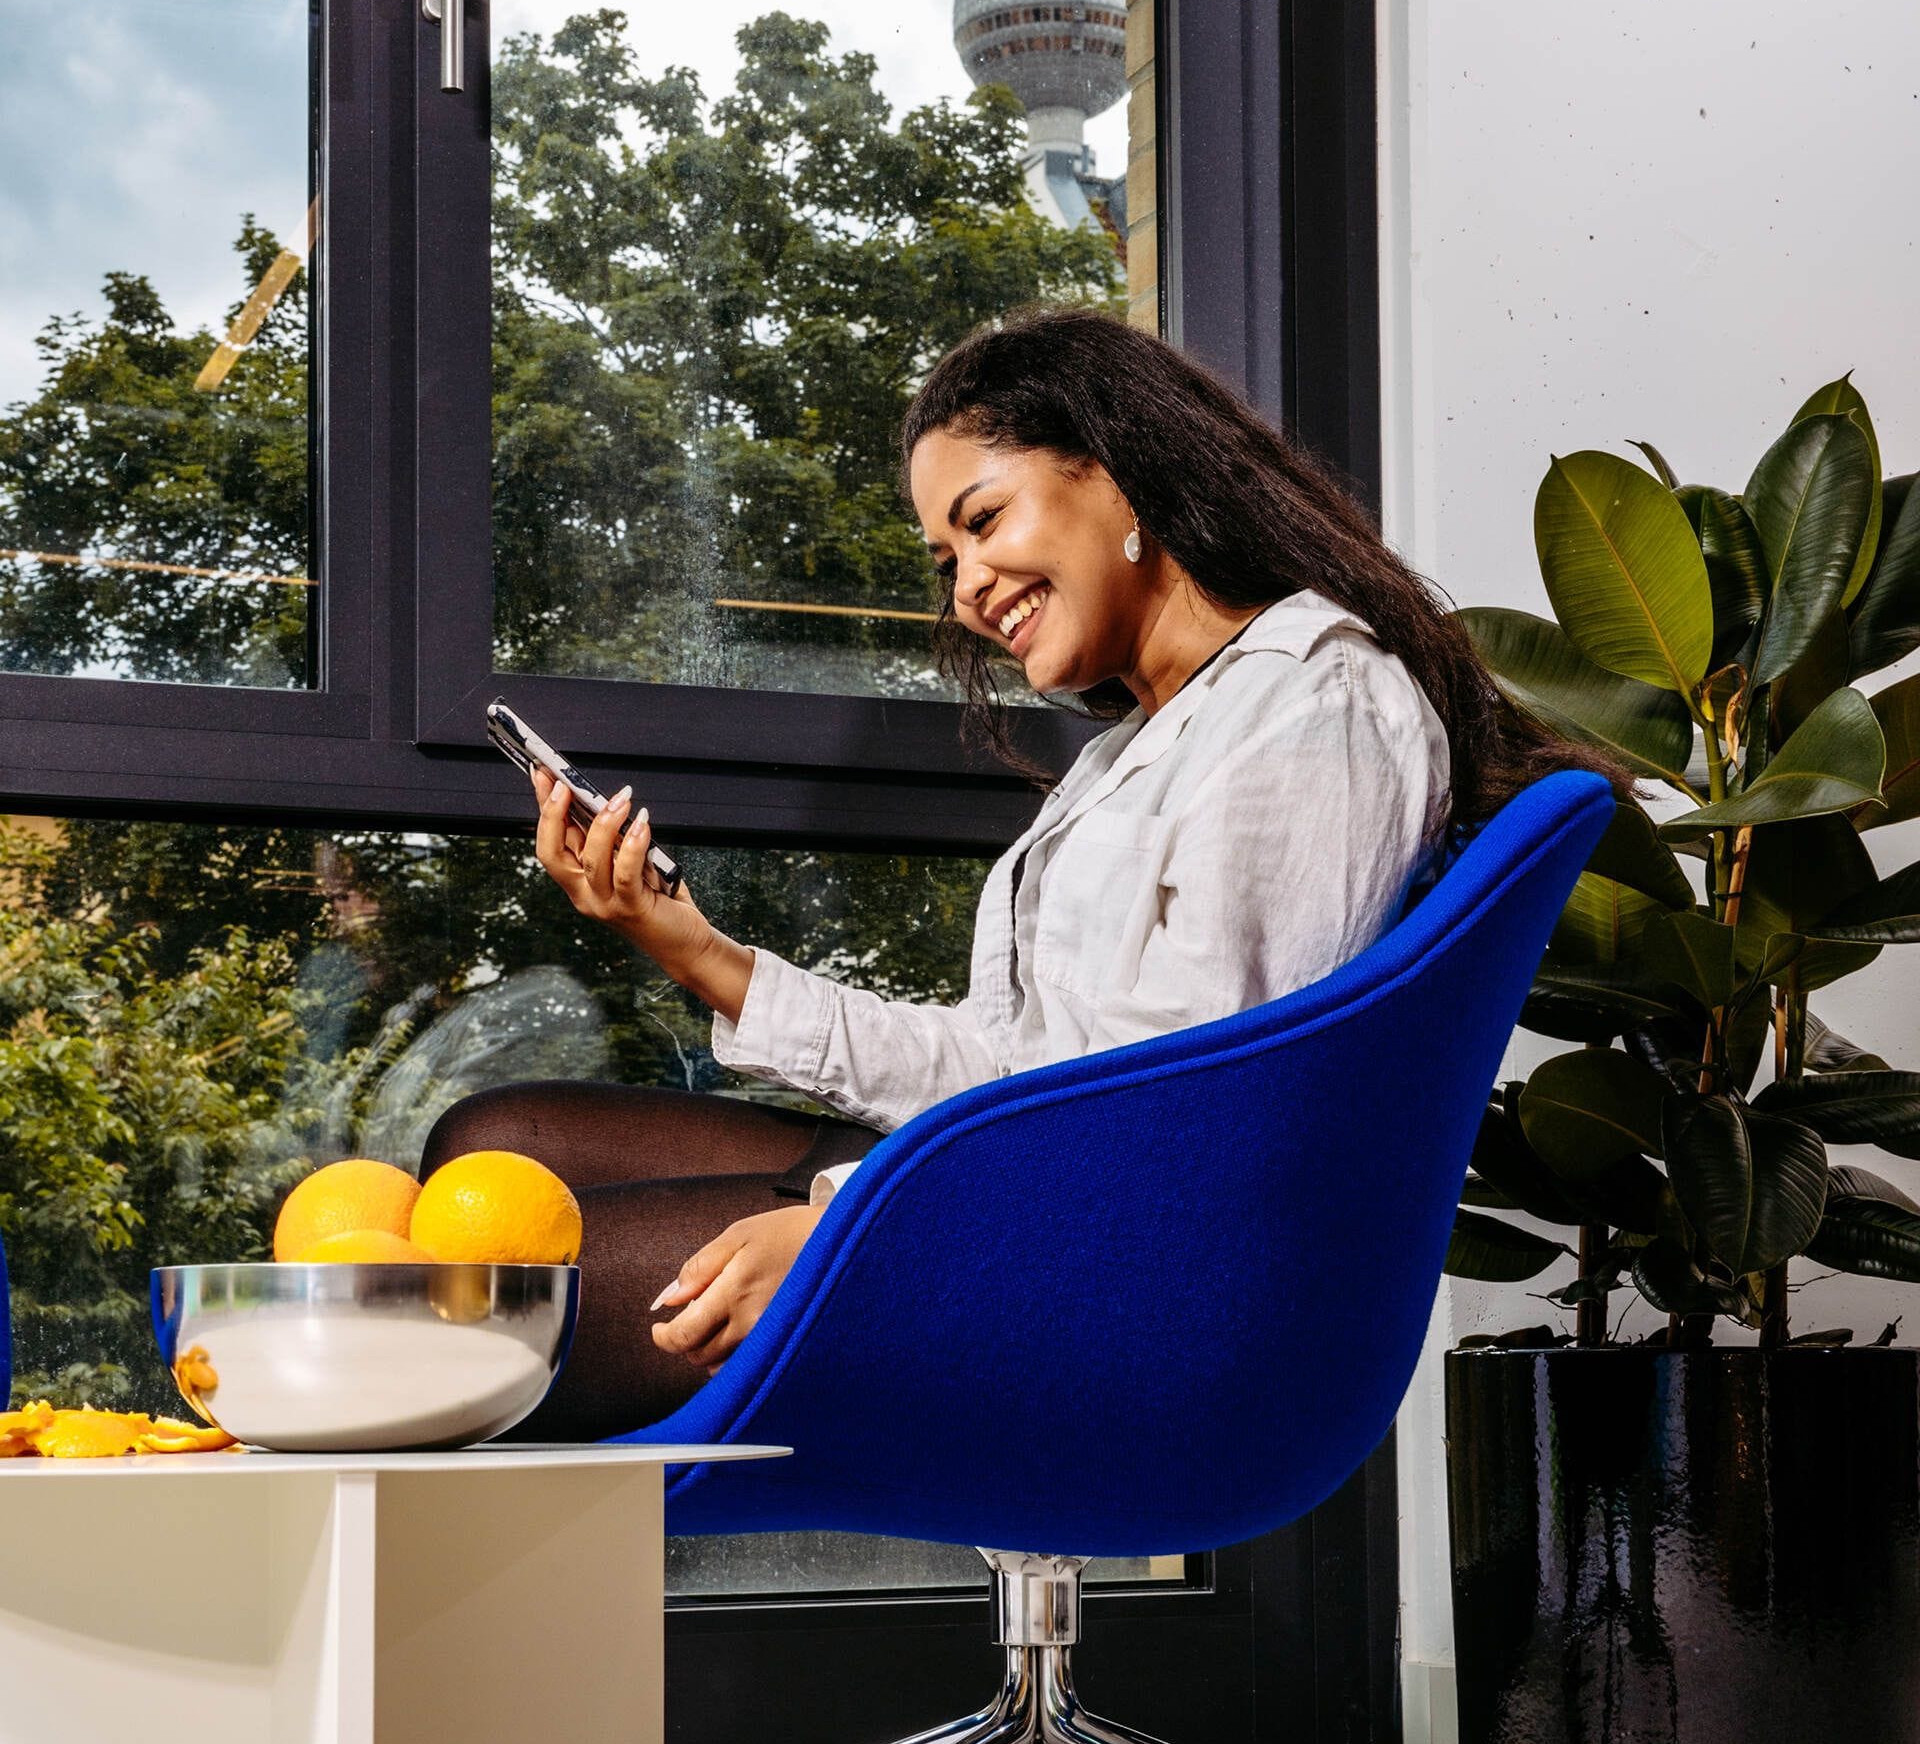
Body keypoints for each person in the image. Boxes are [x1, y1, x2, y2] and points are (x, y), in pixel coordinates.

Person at [421, 308, 1618, 1440]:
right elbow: (1010, 1062)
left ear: (1116, 469)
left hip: (1120, 1273)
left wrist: (844, 1223)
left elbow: (1182, 1106)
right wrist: (694, 949)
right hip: (1036, 1203)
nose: (967, 589)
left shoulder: (1317, 700)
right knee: (495, 1141)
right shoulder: (1126, 753)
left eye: (983, 523)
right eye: (945, 558)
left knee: (484, 1316)